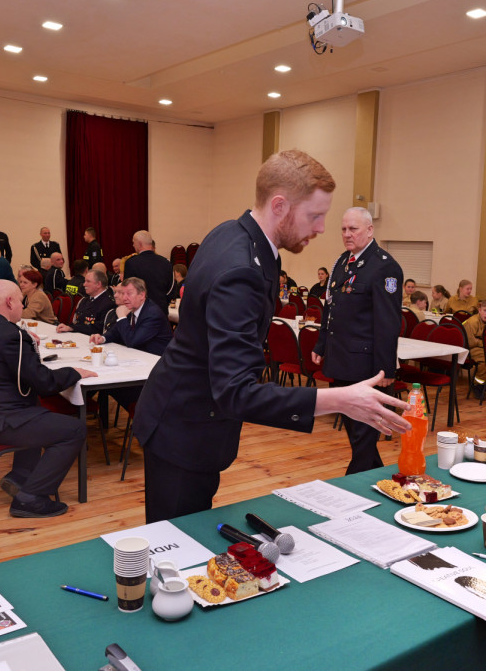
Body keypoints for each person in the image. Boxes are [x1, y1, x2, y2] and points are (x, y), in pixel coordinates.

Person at [133, 151, 409, 523]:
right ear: (280, 206)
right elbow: (237, 391)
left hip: (185, 415)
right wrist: (338, 400)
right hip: (185, 426)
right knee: (175, 546)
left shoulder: (234, 233)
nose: (323, 228)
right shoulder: (241, 270)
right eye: (315, 216)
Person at [0, 280, 97, 518]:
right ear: (9, 302)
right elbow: (42, 382)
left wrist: (25, 341)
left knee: (34, 408)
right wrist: (74, 372)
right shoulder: (10, 335)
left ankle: (20, 476)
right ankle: (31, 498)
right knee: (74, 429)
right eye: (21, 302)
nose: (22, 307)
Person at [312, 206, 404, 474]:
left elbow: (388, 323)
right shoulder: (343, 261)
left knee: (364, 434)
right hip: (341, 360)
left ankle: (350, 490)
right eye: (343, 229)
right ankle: (379, 478)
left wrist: (386, 369)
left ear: (370, 230)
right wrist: (320, 344)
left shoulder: (385, 267)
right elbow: (330, 308)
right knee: (356, 432)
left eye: (353, 229)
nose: (347, 234)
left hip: (366, 367)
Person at [91, 276, 172, 408]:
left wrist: (122, 317)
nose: (124, 298)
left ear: (142, 295)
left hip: (155, 371)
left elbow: (132, 340)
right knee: (102, 380)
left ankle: (142, 415)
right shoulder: (134, 308)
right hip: (138, 362)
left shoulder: (152, 314)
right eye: (123, 294)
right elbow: (116, 331)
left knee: (110, 385)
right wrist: (103, 338)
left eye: (129, 294)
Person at [124, 230, 174, 313]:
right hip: (161, 311)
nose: (133, 245)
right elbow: (171, 289)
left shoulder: (131, 263)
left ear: (139, 244)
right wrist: (162, 302)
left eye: (133, 242)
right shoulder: (166, 262)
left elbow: (128, 290)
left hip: (141, 313)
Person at [56, 269, 114, 335]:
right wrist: (68, 326)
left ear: (98, 284)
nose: (84, 284)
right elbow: (78, 321)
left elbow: (99, 328)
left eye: (88, 281)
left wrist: (72, 328)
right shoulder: (84, 300)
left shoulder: (108, 303)